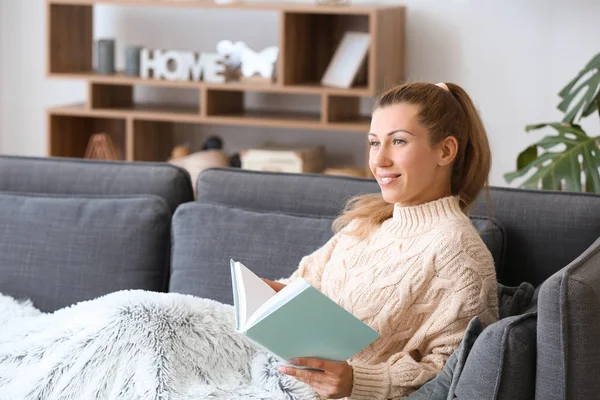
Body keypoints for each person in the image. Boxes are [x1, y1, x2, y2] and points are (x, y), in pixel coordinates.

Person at [263, 82, 500, 400]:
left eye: (398, 141)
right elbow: (303, 284)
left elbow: (456, 374)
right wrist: (271, 297)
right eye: (374, 143)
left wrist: (356, 381)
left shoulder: (460, 252)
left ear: (445, 151)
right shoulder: (366, 222)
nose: (379, 160)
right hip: (280, 379)